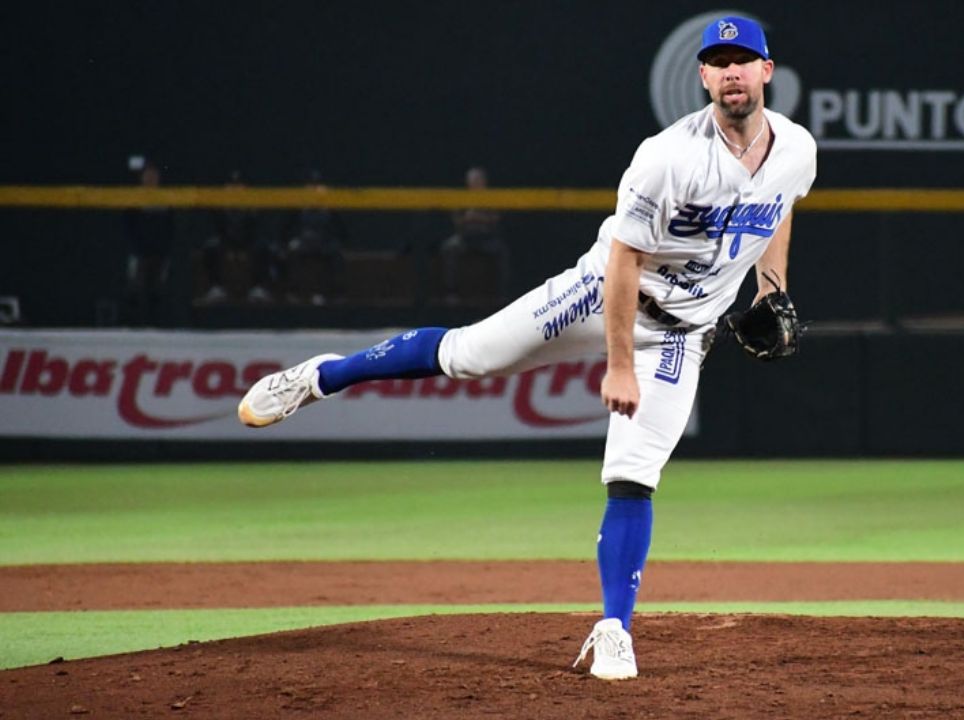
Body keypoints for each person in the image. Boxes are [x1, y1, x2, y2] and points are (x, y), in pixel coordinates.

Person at [237, 15, 816, 680]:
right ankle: (320, 378)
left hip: (683, 333)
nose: (732, 71)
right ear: (703, 75)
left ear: (766, 71)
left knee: (633, 473)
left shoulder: (795, 150)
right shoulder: (667, 157)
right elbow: (626, 259)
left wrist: (772, 291)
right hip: (604, 293)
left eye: (743, 59)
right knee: (467, 355)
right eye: (719, 61)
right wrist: (620, 366)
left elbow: (780, 204)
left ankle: (613, 630)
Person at [199, 170, 280, 304]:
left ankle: (258, 287)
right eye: (232, 185)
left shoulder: (252, 203)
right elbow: (216, 228)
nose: (235, 188)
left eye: (239, 185)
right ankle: (216, 287)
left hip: (248, 240)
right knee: (210, 246)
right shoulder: (219, 203)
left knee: (263, 247)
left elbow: (256, 229)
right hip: (226, 240)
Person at [437, 166, 510, 305]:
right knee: (448, 248)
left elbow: (496, 219)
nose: (476, 183)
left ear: (484, 182)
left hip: (485, 238)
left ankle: (500, 295)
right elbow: (456, 221)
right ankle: (451, 292)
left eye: (479, 180)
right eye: (473, 180)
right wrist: (467, 218)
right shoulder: (462, 198)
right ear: (468, 182)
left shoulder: (491, 198)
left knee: (501, 251)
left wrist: (480, 218)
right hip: (465, 239)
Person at [280, 169, 347, 305]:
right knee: (291, 252)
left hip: (324, 243)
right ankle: (293, 293)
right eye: (312, 185)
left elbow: (341, 230)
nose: (315, 188)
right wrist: (291, 240)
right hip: (303, 242)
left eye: (318, 185)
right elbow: (286, 229)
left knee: (336, 253)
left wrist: (333, 240)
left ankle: (333, 294)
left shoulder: (330, 206)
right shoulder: (299, 206)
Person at [124, 159, 176, 326]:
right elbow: (129, 224)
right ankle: (132, 326)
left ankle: (156, 327)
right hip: (139, 250)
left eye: (154, 175)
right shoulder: (134, 198)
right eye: (148, 175)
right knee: (134, 289)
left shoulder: (166, 199)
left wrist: (165, 247)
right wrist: (136, 246)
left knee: (157, 291)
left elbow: (171, 226)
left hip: (160, 251)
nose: (151, 178)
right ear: (142, 178)